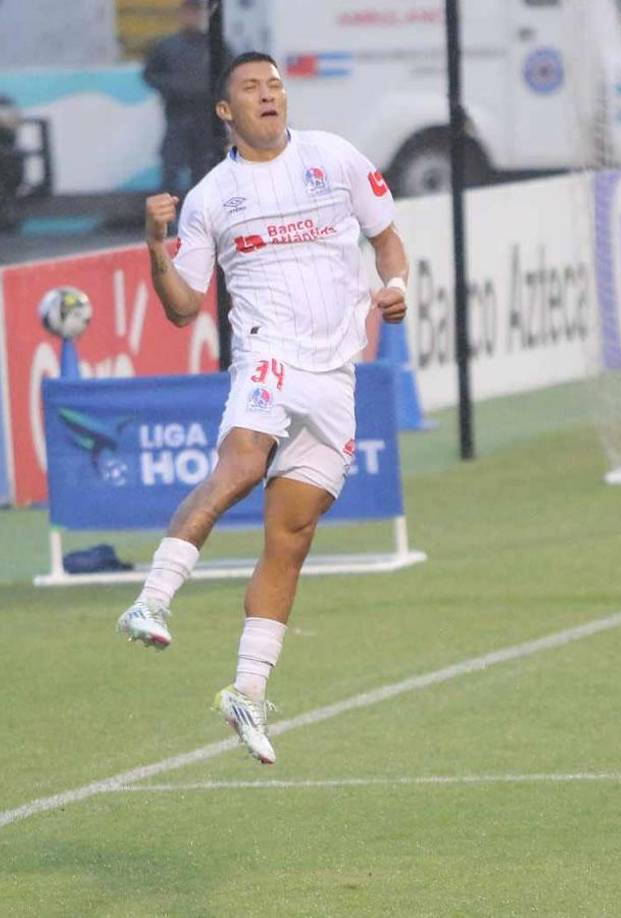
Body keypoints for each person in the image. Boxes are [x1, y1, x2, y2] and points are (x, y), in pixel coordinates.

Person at [116, 53, 409, 764]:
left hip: (335, 372)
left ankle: (247, 690)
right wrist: (155, 247)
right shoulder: (212, 197)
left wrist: (397, 287)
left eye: (275, 84)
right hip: (268, 354)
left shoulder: (334, 158)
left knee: (294, 531)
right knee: (243, 465)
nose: (268, 94)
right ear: (226, 111)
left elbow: (387, 240)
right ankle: (153, 597)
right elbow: (183, 308)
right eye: (251, 87)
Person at [142, 0, 218, 194]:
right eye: (188, 13)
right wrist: (172, 87)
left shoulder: (214, 45)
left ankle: (200, 212)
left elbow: (231, 73)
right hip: (177, 115)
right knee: (171, 168)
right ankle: (167, 212)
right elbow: (149, 75)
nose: (192, 18)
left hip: (206, 118)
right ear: (181, 16)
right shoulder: (167, 46)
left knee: (203, 171)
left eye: (196, 13)